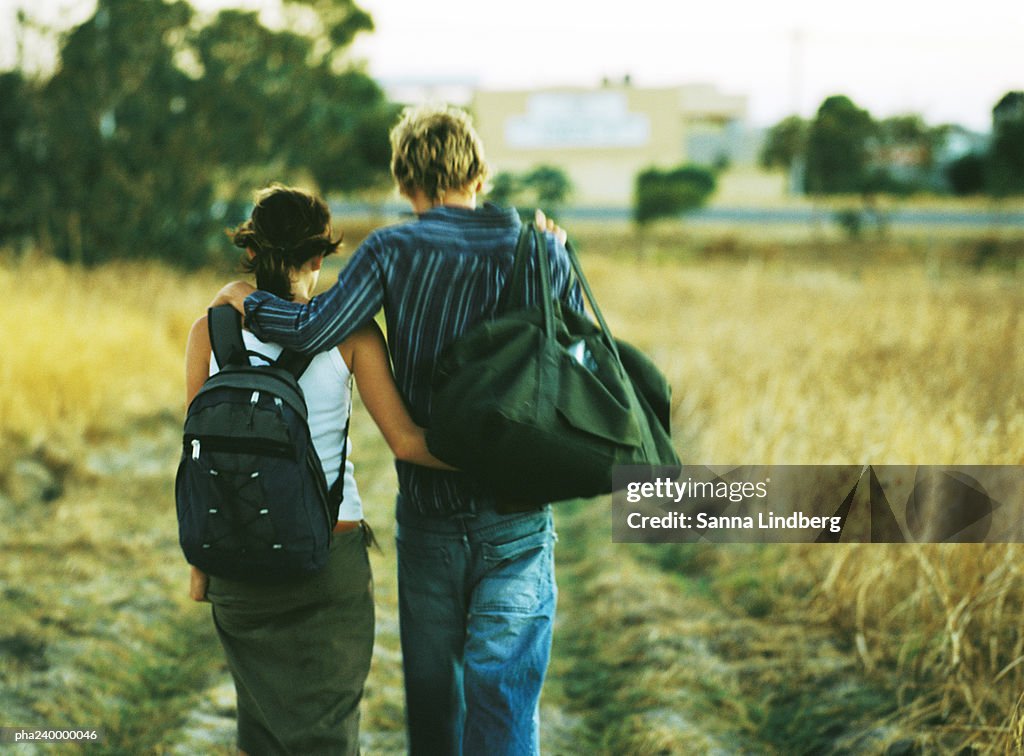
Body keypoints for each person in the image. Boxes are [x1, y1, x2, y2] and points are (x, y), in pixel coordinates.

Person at [214, 105, 582, 755]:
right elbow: (576, 372)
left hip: (433, 520)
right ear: (478, 173)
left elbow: (310, 329)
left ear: (406, 179)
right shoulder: (540, 248)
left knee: (437, 714)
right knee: (506, 707)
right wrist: (559, 258)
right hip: (518, 520)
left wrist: (246, 299)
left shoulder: (392, 249)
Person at [185, 184, 452, 756]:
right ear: (317, 258)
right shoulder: (350, 334)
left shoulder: (209, 330)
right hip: (324, 566)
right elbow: (406, 443)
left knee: (261, 734)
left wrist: (200, 571)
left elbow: (199, 456)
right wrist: (496, 458)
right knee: (327, 736)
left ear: (251, 252)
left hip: (236, 569)